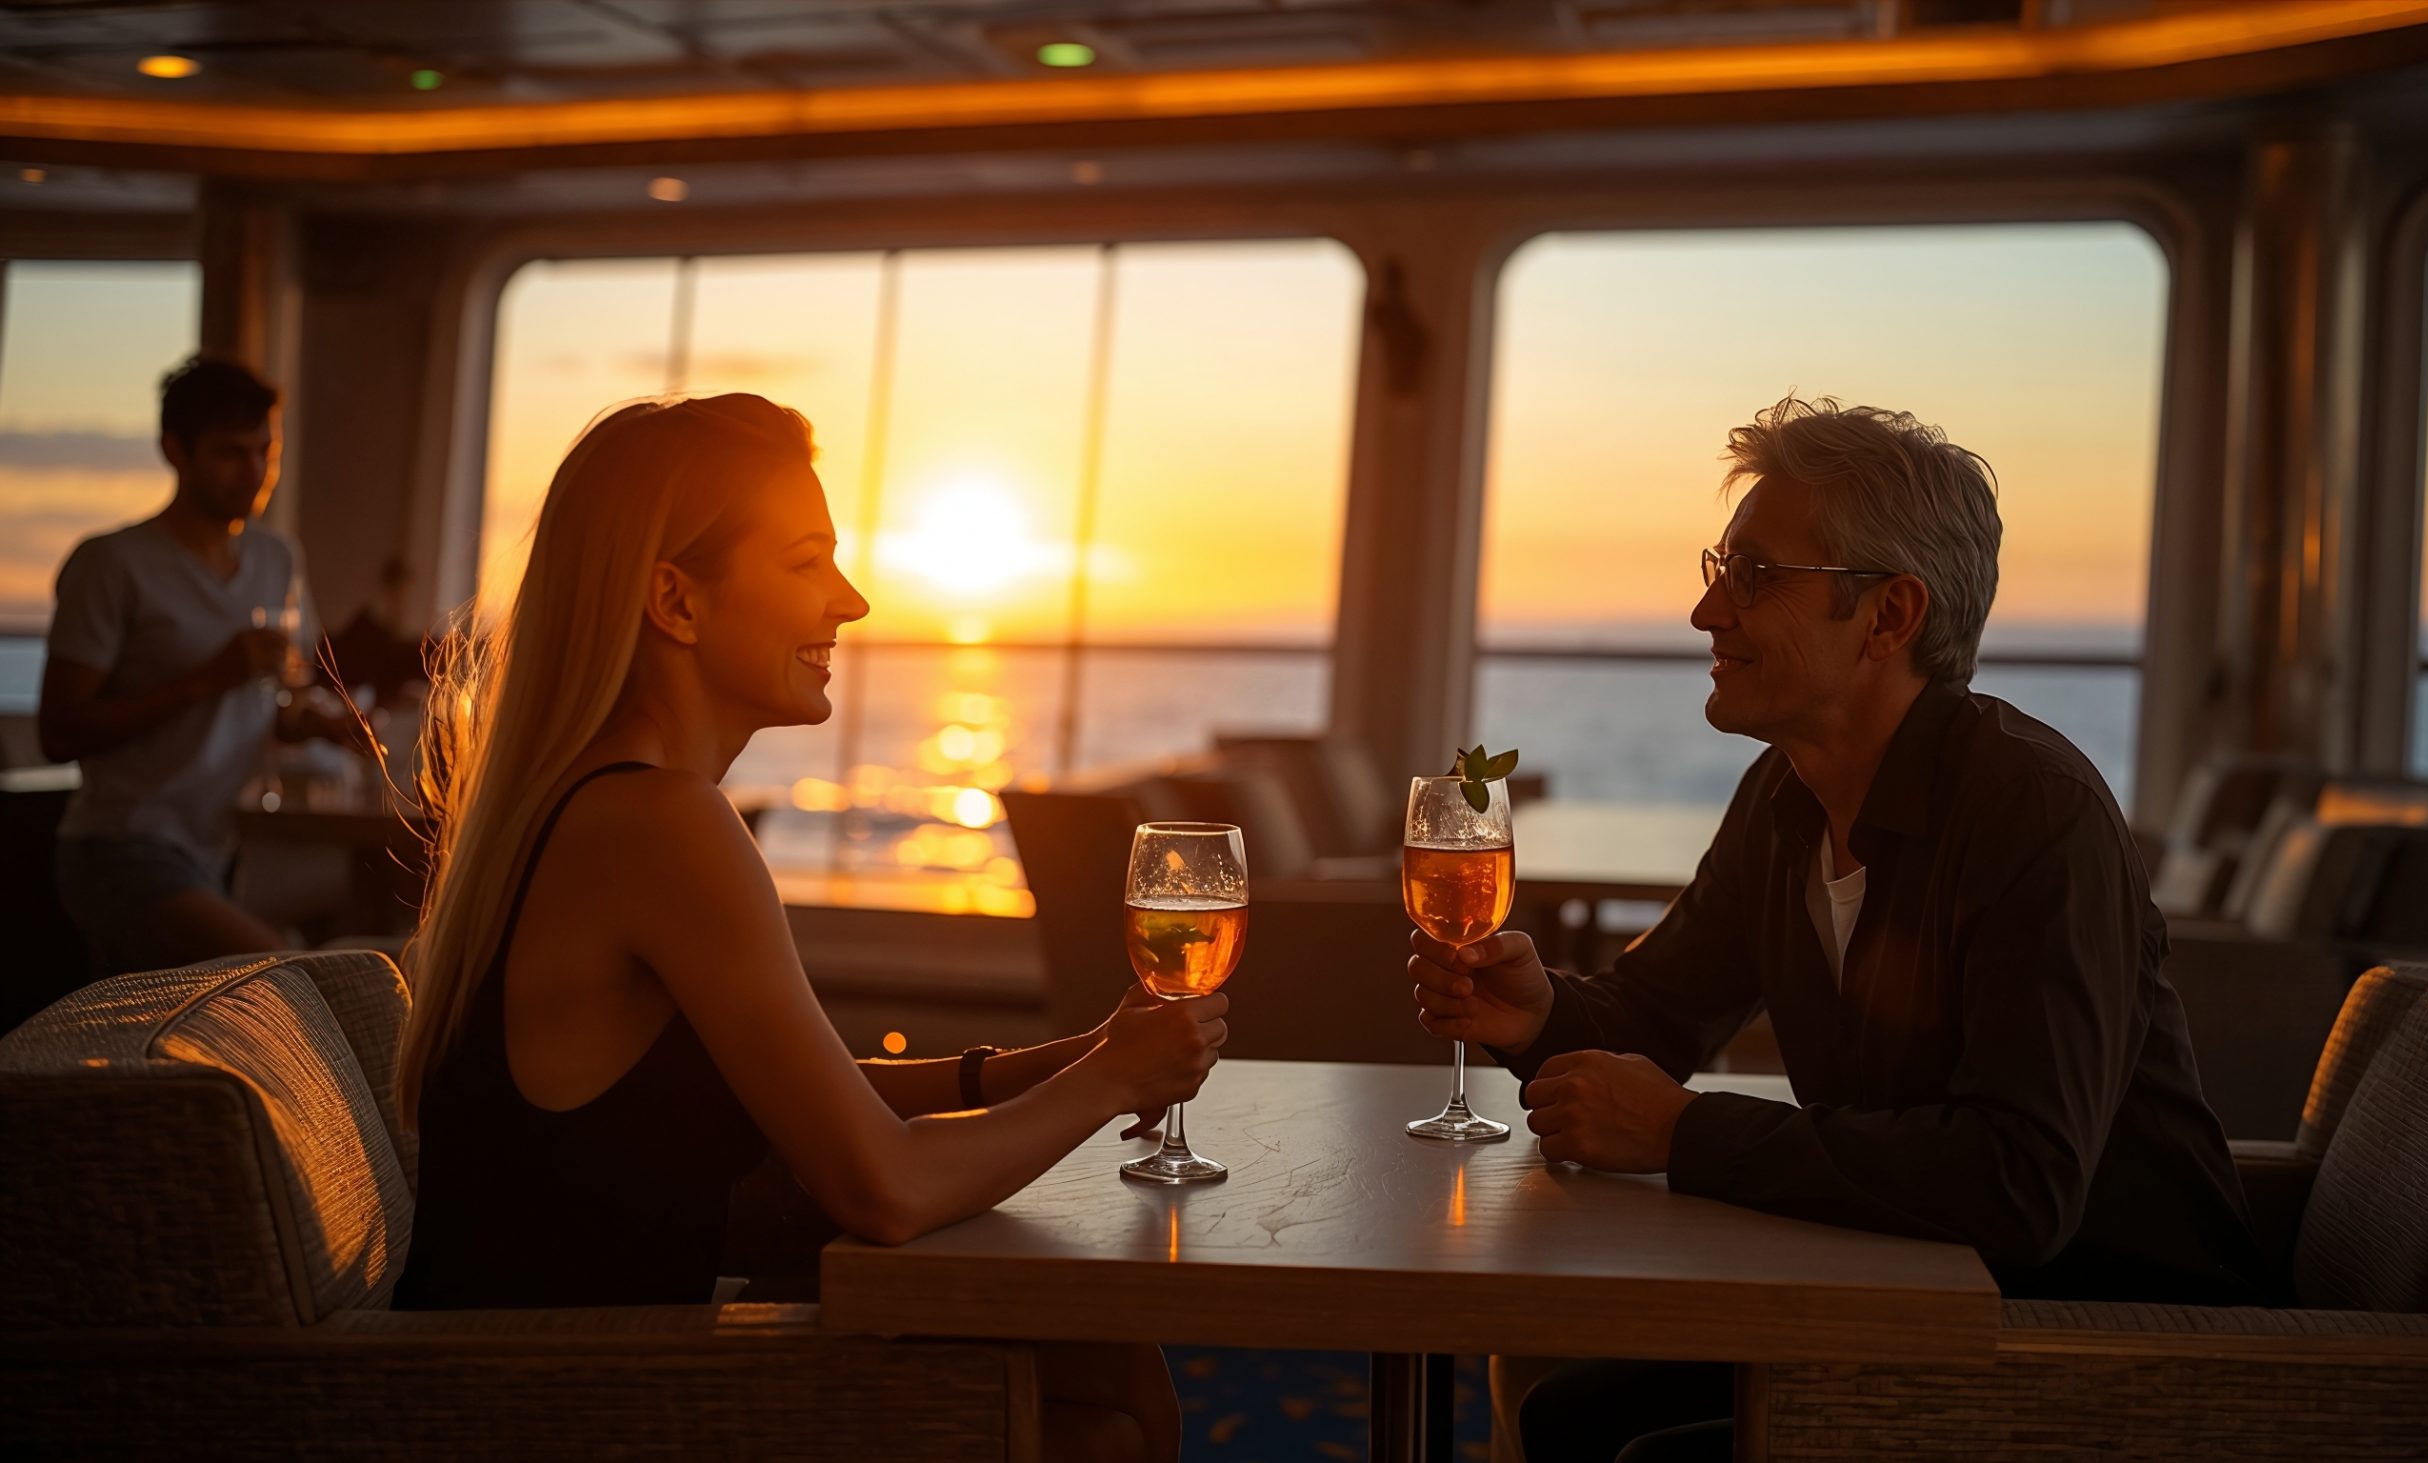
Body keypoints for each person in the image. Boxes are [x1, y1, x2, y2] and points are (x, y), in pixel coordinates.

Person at [1409, 395, 2264, 1463]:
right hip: (1901, 1292)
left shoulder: (2031, 811)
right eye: (1718, 567)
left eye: (1755, 576)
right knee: (1558, 1397)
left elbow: (2020, 1182)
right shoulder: (1787, 791)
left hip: (2104, 1345)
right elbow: (1655, 1013)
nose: (1705, 612)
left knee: (1626, 1443)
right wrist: (1538, 1009)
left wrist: (1686, 1131)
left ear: (1889, 615)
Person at [388, 395, 1219, 1463]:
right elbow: (884, 1185)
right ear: (676, 601)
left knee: (1104, 1362)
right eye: (806, 561)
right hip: (560, 1399)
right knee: (1103, 1421)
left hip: (568, 1369)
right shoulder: (659, 824)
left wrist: (1079, 1056)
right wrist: (1108, 1085)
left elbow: (807, 1095)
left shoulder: (599, 803)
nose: (853, 600)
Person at [39, 356, 354, 974]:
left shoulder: (276, 558)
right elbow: (59, 732)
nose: (255, 472)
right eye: (230, 453)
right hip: (121, 843)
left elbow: (274, 699)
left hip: (221, 844)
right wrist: (208, 677)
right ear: (174, 451)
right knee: (289, 976)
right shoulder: (113, 564)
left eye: (267, 450)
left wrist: (313, 722)